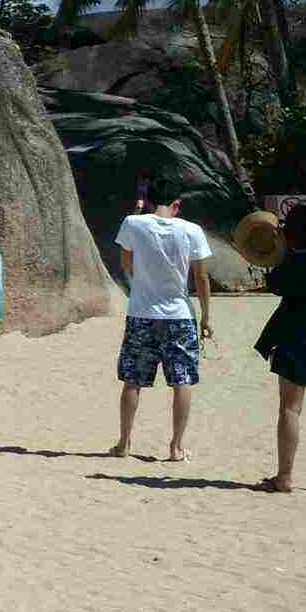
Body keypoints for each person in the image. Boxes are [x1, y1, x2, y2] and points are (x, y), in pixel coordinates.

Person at [111, 187, 213, 461]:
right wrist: (206, 316)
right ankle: (176, 446)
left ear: (150, 202)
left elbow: (126, 262)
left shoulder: (134, 222)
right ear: (177, 204)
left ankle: (124, 443)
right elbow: (201, 279)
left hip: (142, 312)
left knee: (133, 381)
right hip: (179, 315)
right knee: (182, 381)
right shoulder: (192, 230)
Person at [254, 204, 306, 494]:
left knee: (290, 408)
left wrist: (281, 250)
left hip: (296, 337)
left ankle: (285, 477)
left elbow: (273, 283)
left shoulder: (290, 264)